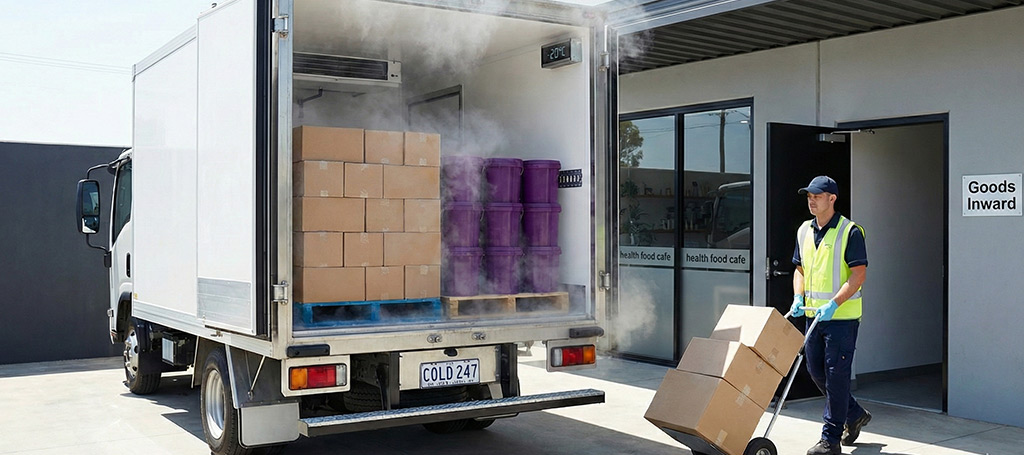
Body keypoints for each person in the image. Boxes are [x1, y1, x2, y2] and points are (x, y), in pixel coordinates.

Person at [788, 175, 871, 455]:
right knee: (816, 372)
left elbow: (858, 275)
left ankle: (830, 440)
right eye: (808, 195)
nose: (811, 200)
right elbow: (799, 269)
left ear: (832, 198)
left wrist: (834, 303)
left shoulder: (850, 232)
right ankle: (854, 413)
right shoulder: (803, 230)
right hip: (814, 318)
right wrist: (798, 297)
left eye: (817, 195)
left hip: (842, 318)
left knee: (836, 377)